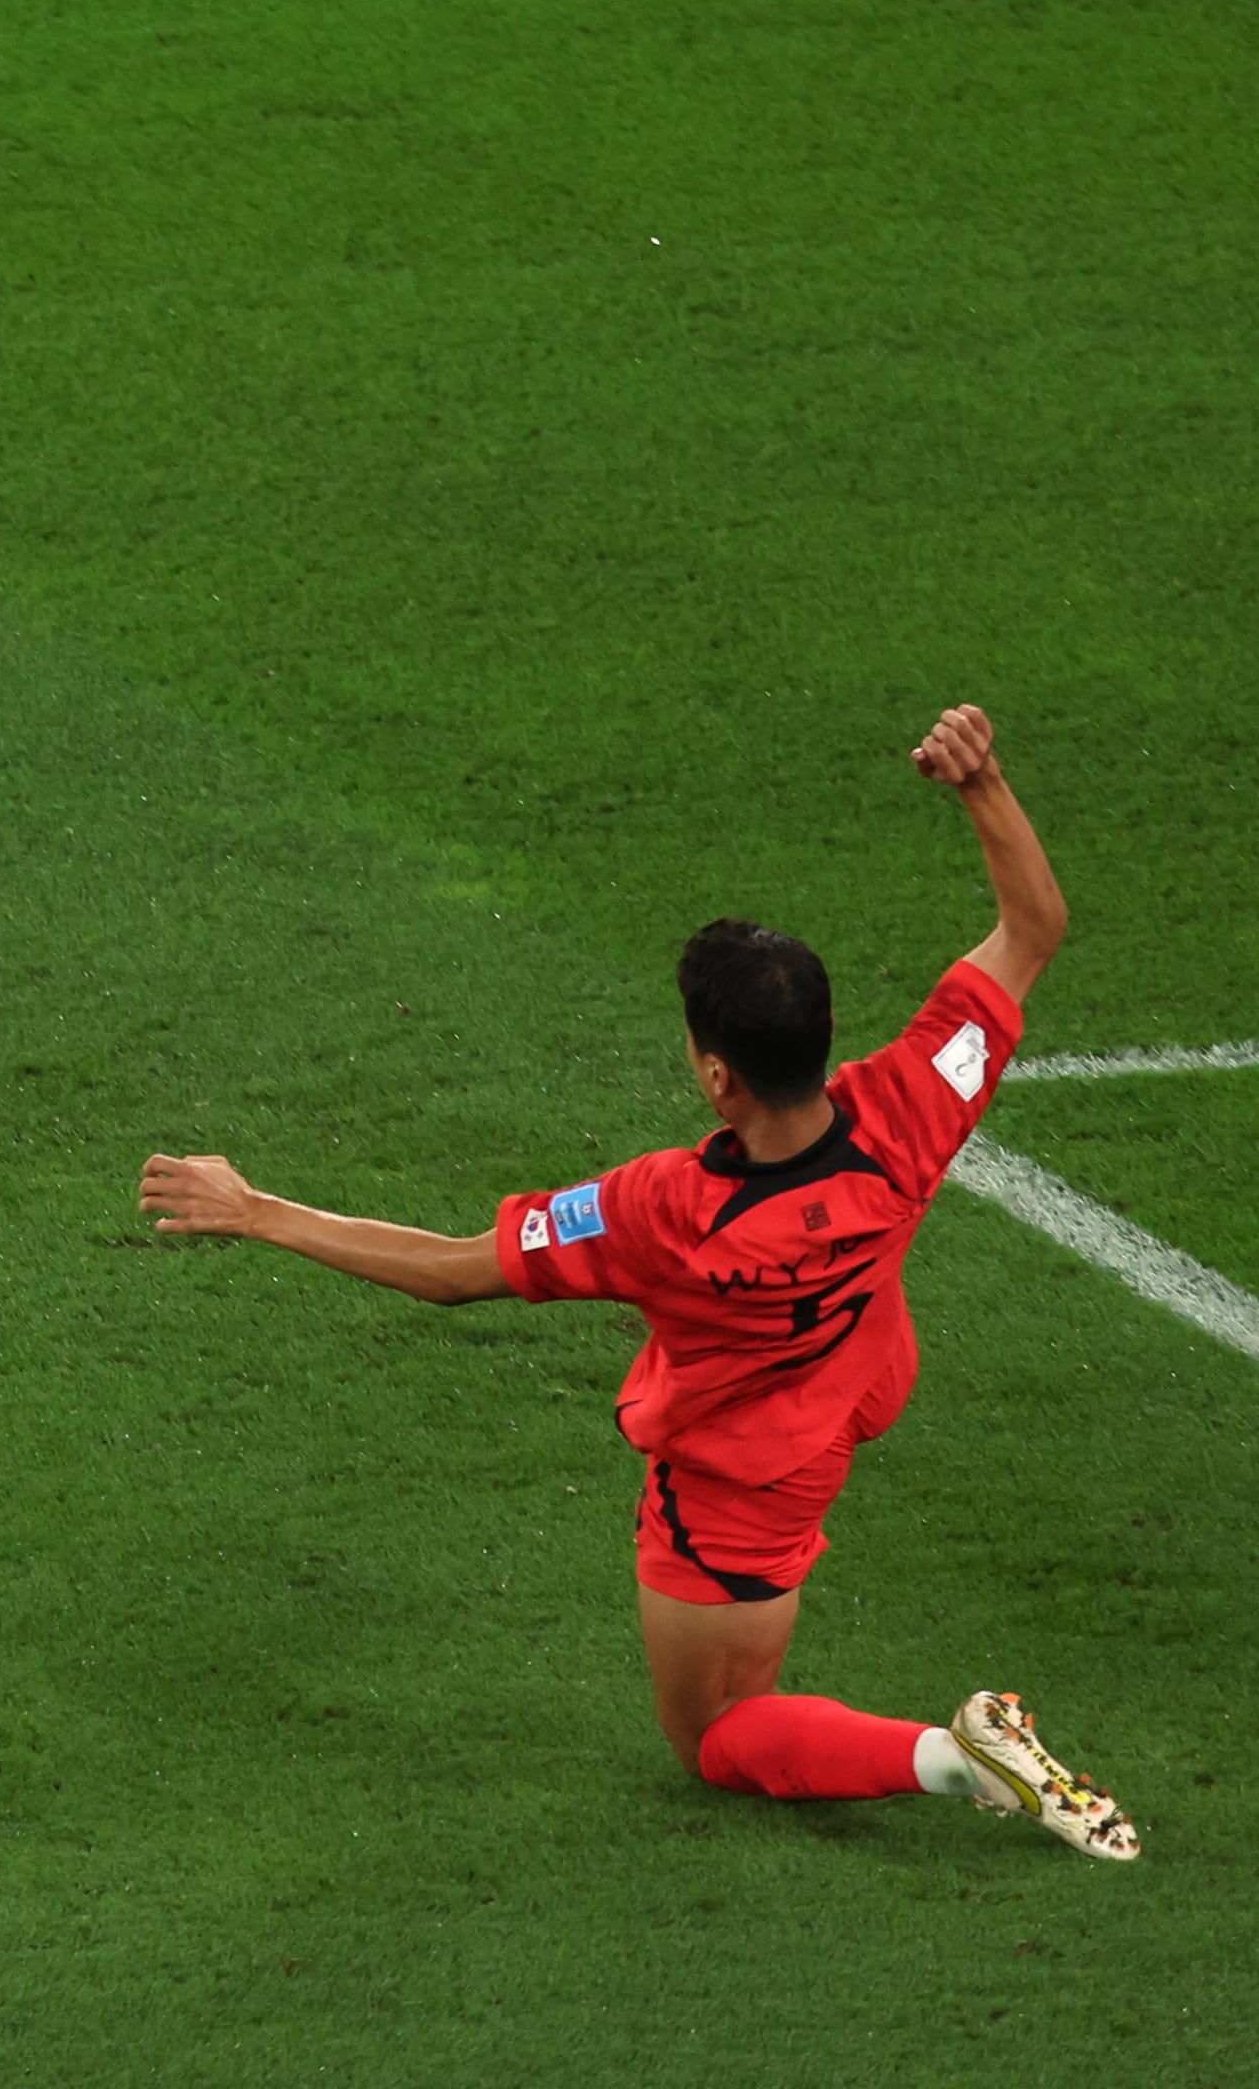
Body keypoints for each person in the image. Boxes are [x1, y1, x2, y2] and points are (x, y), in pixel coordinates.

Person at [137, 706, 1135, 1859]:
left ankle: (955, 1756)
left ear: (718, 1075)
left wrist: (255, 1209)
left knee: (715, 1737)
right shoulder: (917, 1103)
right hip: (844, 1403)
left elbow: (458, 1272)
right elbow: (1034, 926)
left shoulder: (659, 1213)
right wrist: (982, 781)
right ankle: (955, 1752)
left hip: (732, 1493)